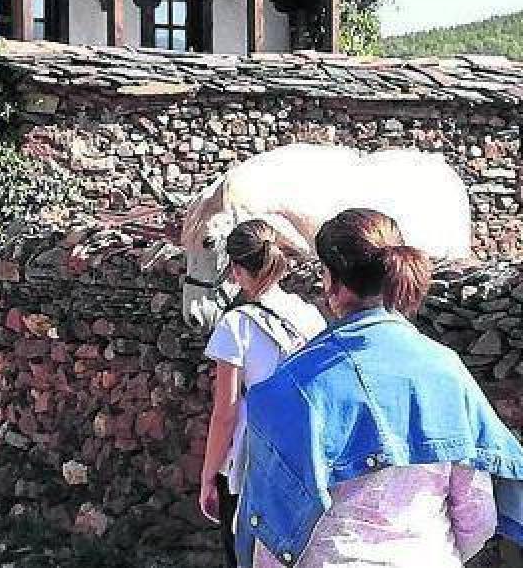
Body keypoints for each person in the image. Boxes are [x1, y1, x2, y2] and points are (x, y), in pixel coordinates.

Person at [236, 208, 523, 568]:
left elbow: (273, 528)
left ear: (331, 282)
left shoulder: (295, 384)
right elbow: (477, 511)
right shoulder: (446, 371)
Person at [197, 219, 326, 567]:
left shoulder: (235, 325)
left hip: (250, 461)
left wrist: (209, 475)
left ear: (236, 270)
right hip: (303, 457)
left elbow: (225, 413)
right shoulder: (310, 316)